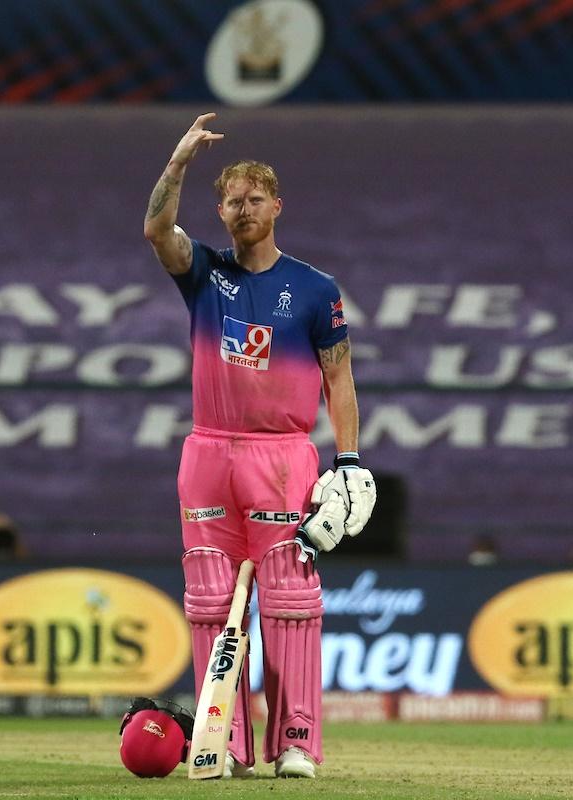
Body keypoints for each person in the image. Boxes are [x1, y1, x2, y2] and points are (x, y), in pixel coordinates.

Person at [142, 114, 376, 779]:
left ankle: (296, 739)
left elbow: (339, 375)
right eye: (232, 202)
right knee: (211, 602)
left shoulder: (313, 288)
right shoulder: (204, 273)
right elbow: (157, 230)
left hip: (281, 455)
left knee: (290, 600)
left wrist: (350, 461)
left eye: (254, 199)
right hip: (209, 453)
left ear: (276, 206)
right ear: (219, 210)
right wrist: (179, 162)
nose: (243, 210)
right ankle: (228, 742)